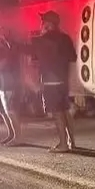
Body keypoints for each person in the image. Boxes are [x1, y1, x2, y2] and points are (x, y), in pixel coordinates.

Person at [31, 10, 76, 152]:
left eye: (43, 22)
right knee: (65, 111)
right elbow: (73, 57)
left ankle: (63, 144)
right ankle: (71, 142)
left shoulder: (43, 39)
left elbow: (33, 57)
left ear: (48, 24)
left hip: (50, 81)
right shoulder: (65, 38)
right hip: (63, 80)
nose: (41, 24)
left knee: (57, 113)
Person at [0, 25, 24, 145]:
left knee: (10, 110)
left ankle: (18, 137)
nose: (0, 34)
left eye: (4, 31)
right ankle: (11, 134)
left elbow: (2, 64)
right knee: (2, 111)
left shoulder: (11, 46)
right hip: (0, 81)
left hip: (9, 81)